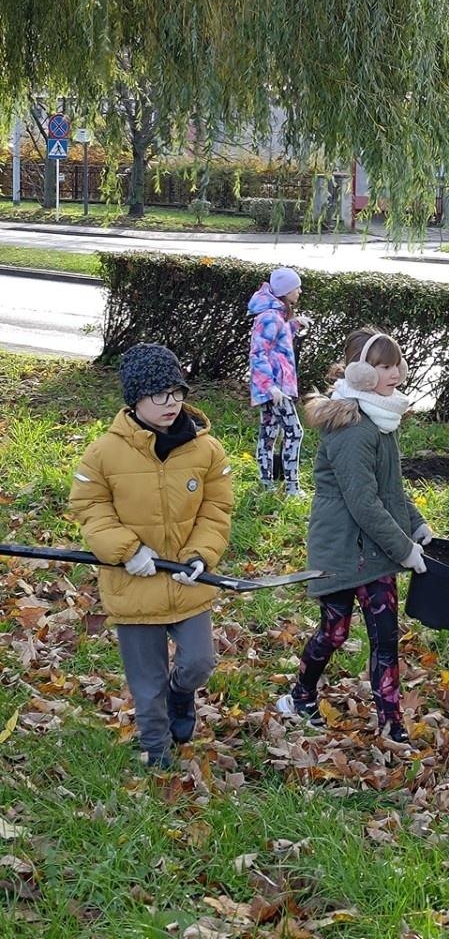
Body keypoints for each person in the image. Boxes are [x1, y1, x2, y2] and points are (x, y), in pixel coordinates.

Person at [68, 343, 233, 770]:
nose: (171, 404)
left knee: (198, 662)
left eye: (176, 393)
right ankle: (157, 753)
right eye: (159, 395)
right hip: (133, 584)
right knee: (147, 684)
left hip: (186, 583)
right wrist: (127, 551)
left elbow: (217, 509)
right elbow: (90, 508)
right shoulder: (104, 453)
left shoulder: (205, 449)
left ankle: (183, 694)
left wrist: (201, 555)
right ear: (135, 399)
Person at [275, 328, 433, 743]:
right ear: (361, 373)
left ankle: (390, 724)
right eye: (383, 366)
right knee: (335, 631)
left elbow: (389, 488)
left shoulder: (381, 419)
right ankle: (300, 695)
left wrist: (414, 522)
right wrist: (404, 547)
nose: (394, 373)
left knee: (385, 638)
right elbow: (363, 503)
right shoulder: (353, 428)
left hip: (373, 549)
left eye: (396, 364)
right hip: (343, 548)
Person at [248, 266, 311, 496]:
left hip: (275, 387)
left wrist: (293, 326)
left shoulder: (276, 315)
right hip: (275, 389)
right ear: (285, 291)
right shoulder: (269, 317)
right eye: (296, 287)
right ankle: (292, 486)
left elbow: (276, 346)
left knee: (269, 433)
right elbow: (258, 354)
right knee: (294, 432)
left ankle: (267, 484)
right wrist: (270, 386)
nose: (300, 291)